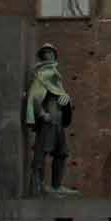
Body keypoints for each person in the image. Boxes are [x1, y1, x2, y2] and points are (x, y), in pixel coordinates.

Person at [24, 43, 75, 196]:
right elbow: (34, 95)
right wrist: (41, 114)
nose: (50, 55)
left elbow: (61, 94)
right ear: (43, 56)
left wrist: (67, 99)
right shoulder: (43, 73)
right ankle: (37, 187)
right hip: (49, 114)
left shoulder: (54, 74)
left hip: (57, 115)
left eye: (51, 52)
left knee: (61, 152)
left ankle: (56, 186)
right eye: (46, 52)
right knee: (43, 149)